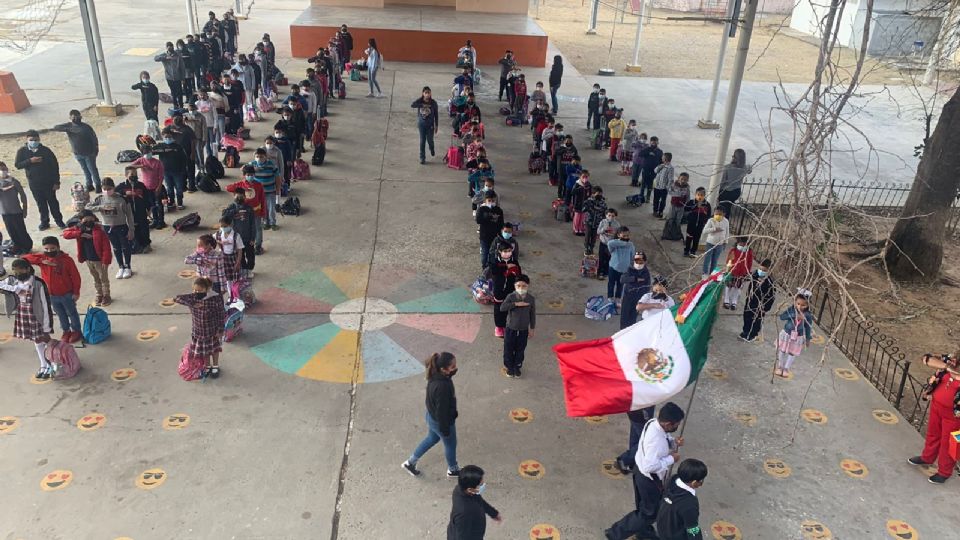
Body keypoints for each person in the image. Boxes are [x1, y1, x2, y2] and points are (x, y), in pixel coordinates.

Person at [606, 402, 686, 540]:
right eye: (675, 425)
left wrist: (673, 442)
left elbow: (664, 438)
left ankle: (643, 532)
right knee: (648, 513)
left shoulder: (652, 423)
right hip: (649, 479)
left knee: (644, 508)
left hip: (639, 471)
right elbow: (651, 465)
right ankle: (615, 533)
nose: (676, 427)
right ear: (667, 424)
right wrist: (671, 459)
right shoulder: (656, 441)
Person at [402, 352, 460, 477]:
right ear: (443, 369)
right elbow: (442, 411)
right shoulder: (443, 387)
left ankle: (410, 462)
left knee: (432, 438)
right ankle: (453, 469)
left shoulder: (435, 376)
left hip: (431, 417)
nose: (455, 368)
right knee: (450, 445)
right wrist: (445, 429)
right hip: (441, 421)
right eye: (453, 367)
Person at [909, 352, 960, 484]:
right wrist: (947, 367)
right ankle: (927, 457)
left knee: (947, 443)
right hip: (937, 406)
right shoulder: (952, 361)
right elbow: (926, 358)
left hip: (954, 416)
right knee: (933, 433)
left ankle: (944, 471)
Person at [0, 259, 54, 378]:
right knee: (36, 340)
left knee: (44, 338)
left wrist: (46, 325)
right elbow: (2, 284)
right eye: (15, 271)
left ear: (28, 269)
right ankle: (43, 364)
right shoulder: (14, 280)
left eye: (20, 271)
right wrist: (15, 288)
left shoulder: (38, 283)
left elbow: (45, 305)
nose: (17, 274)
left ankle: (52, 363)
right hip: (24, 313)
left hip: (37, 315)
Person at [21, 237, 82, 344]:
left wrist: (76, 292)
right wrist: (41, 261)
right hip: (51, 295)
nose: (49, 251)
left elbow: (76, 277)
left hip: (67, 294)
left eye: (52, 248)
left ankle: (76, 331)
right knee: (60, 314)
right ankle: (66, 331)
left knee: (72, 313)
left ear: (58, 247)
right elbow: (25, 258)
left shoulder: (67, 260)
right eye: (46, 249)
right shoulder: (43, 259)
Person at [175, 276, 225, 378]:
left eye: (200, 290)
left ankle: (215, 366)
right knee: (205, 351)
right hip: (198, 331)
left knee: (214, 349)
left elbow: (221, 314)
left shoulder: (215, 299)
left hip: (212, 331)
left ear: (207, 289)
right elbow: (177, 298)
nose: (196, 292)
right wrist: (192, 303)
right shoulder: (193, 297)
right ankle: (207, 366)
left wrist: (220, 330)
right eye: (194, 290)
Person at [86, 178, 135, 280]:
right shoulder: (100, 199)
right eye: (105, 189)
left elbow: (130, 215)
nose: (107, 191)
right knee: (116, 248)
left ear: (114, 187)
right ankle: (120, 266)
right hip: (108, 227)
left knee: (125, 247)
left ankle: (128, 266)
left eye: (109, 188)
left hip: (121, 226)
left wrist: (131, 229)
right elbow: (88, 207)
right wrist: (100, 207)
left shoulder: (122, 199)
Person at [15, 131, 65, 231]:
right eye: (31, 140)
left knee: (53, 202)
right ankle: (44, 222)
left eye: (36, 140)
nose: (33, 142)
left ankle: (59, 221)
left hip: (48, 183)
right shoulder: (22, 151)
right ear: (27, 140)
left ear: (39, 140)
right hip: (34, 184)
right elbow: (17, 165)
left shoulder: (46, 151)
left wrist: (56, 182)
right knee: (41, 203)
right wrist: (30, 161)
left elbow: (54, 167)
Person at [62, 211, 112, 306]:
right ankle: (99, 294)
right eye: (86, 219)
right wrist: (80, 233)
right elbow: (65, 234)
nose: (89, 221)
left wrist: (106, 260)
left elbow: (106, 247)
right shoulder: (79, 229)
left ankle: (106, 295)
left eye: (90, 218)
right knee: (96, 278)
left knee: (103, 278)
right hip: (88, 259)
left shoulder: (99, 230)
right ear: (81, 220)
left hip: (99, 260)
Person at [656, 459, 708, 540]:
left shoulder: (672, 480)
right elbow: (692, 528)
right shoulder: (689, 503)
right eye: (701, 480)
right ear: (694, 482)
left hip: (662, 526)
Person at [447, 464, 502, 539]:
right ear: (470, 489)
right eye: (481, 484)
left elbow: (479, 500)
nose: (483, 485)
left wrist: (493, 513)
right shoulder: (464, 513)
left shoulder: (461, 489)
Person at [501, 274, 535, 378]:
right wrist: (515, 304)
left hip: (523, 330)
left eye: (524, 286)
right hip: (511, 328)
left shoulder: (530, 299)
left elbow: (532, 314)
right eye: (518, 286)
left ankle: (517, 367)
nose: (521, 288)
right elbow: (502, 307)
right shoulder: (511, 297)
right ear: (515, 286)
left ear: (528, 286)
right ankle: (509, 367)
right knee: (508, 349)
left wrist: (532, 328)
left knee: (520, 349)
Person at [775, 290, 813, 377]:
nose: (800, 306)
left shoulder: (807, 315)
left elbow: (808, 327)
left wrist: (808, 339)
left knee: (792, 352)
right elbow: (782, 317)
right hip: (787, 334)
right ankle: (780, 366)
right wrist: (793, 315)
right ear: (795, 302)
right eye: (798, 304)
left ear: (808, 305)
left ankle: (786, 368)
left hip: (798, 337)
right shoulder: (791, 310)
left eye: (803, 305)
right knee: (782, 350)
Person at [222, 187, 257, 279]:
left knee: (250, 256)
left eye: (242, 196)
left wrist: (253, 238)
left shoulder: (249, 209)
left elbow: (253, 224)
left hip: (248, 237)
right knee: (240, 257)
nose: (240, 198)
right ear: (234, 196)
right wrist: (235, 211)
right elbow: (224, 218)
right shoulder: (231, 208)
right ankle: (244, 269)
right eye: (238, 196)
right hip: (236, 239)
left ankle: (249, 270)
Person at [129, 142, 166, 230]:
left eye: (148, 152)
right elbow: (130, 166)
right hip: (146, 188)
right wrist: (141, 166)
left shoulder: (158, 163)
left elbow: (161, 177)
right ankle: (155, 220)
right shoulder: (141, 160)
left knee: (159, 205)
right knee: (152, 205)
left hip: (156, 187)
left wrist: (159, 187)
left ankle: (161, 221)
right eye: (145, 152)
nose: (147, 154)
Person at [489, 244, 521, 338]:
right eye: (505, 251)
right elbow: (494, 270)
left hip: (510, 290)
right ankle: (499, 327)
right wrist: (507, 267)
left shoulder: (514, 261)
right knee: (499, 309)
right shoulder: (495, 261)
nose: (507, 253)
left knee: (509, 308)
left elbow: (519, 272)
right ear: (499, 251)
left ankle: (507, 325)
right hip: (499, 290)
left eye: (509, 251)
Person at [0, 162, 32, 254]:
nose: (3, 171)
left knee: (20, 230)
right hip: (5, 212)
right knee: (11, 231)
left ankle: (27, 245)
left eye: (4, 169)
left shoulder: (14, 181)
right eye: (1, 170)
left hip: (16, 211)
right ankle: (17, 245)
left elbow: (23, 195)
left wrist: (25, 209)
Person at [118, 167, 151, 254]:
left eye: (135, 174)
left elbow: (147, 198)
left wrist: (149, 208)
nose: (134, 176)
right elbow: (114, 193)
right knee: (134, 228)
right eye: (132, 175)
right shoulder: (122, 186)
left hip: (141, 211)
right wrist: (125, 193)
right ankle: (137, 245)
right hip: (129, 212)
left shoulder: (141, 185)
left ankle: (147, 244)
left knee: (144, 228)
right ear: (126, 175)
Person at [740, 259, 775, 342]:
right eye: (760, 269)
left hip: (760, 304)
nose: (761, 271)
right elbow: (750, 286)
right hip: (750, 300)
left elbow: (771, 296)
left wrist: (766, 307)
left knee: (756, 320)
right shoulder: (755, 275)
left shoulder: (769, 282)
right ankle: (746, 331)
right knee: (747, 316)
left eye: (764, 270)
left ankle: (753, 334)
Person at [614, 407, 656, 475]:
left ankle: (632, 463)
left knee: (635, 434)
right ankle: (625, 460)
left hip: (634, 410)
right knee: (645, 441)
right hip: (642, 412)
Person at [250, 148, 281, 231]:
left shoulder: (271, 165)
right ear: (254, 157)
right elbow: (243, 170)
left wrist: (278, 189)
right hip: (258, 193)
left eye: (261, 156)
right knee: (263, 208)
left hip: (270, 191)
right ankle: (265, 222)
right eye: (257, 156)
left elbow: (277, 177)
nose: (259, 158)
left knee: (271, 208)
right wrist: (252, 169)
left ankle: (273, 223)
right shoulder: (252, 164)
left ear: (266, 157)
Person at [619, 252, 651, 330]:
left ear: (645, 261)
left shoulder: (646, 273)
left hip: (637, 300)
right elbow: (622, 279)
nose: (638, 263)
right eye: (637, 261)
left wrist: (643, 300)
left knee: (632, 319)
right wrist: (635, 279)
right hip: (627, 298)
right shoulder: (630, 269)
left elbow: (647, 287)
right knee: (624, 317)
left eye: (641, 261)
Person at [215, 215, 243, 299]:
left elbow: (240, 250)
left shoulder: (236, 236)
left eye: (225, 226)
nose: (223, 228)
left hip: (234, 259)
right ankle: (231, 296)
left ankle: (237, 296)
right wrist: (219, 242)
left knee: (236, 279)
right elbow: (212, 239)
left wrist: (238, 263)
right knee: (227, 279)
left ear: (230, 225)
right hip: (224, 259)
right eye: (222, 226)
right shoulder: (219, 234)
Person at [718, 148, 751, 218]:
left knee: (720, 210)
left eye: (733, 156)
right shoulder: (745, 168)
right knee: (728, 209)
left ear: (735, 158)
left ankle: (720, 224)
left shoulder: (727, 167)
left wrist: (718, 193)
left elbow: (723, 182)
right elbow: (750, 170)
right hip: (736, 192)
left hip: (726, 192)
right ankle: (726, 223)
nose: (732, 157)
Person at [606, 227, 636, 305]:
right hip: (613, 267)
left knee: (620, 285)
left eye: (628, 235)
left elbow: (632, 256)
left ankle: (618, 298)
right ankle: (610, 297)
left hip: (624, 269)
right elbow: (609, 244)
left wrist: (632, 266)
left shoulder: (631, 245)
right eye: (624, 235)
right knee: (611, 283)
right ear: (619, 235)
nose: (626, 237)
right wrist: (625, 243)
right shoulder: (615, 243)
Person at [476, 191, 504, 270]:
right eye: (489, 201)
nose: (491, 202)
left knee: (493, 254)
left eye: (493, 201)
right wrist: (489, 216)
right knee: (485, 254)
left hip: (495, 237)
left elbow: (501, 223)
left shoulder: (499, 210)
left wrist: (501, 235)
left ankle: (492, 268)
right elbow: (478, 220)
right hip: (484, 236)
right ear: (485, 201)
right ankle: (484, 268)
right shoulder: (481, 209)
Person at [723, 236, 753, 310]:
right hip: (732, 272)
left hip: (742, 273)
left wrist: (747, 272)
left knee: (738, 287)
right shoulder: (733, 250)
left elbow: (749, 263)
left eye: (744, 243)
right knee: (728, 286)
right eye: (741, 243)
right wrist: (728, 270)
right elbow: (728, 261)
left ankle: (734, 302)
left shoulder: (749, 252)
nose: (742, 245)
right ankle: (726, 300)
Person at [412, 86, 440, 164]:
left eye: (429, 92)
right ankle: (422, 157)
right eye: (426, 93)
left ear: (431, 93)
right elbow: (412, 105)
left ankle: (432, 148)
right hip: (421, 125)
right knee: (422, 141)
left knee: (430, 140)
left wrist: (436, 125)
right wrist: (422, 105)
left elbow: (436, 115)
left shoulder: (433, 103)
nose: (427, 94)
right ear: (423, 93)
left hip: (430, 125)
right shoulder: (420, 101)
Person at [154, 42, 187, 108]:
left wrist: (183, 78)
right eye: (168, 46)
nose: (170, 48)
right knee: (173, 92)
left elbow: (182, 67)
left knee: (179, 92)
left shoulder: (177, 55)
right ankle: (175, 104)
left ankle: (181, 105)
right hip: (169, 77)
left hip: (177, 77)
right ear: (166, 48)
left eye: (171, 46)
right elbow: (156, 58)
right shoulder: (164, 55)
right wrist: (165, 58)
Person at [682, 187, 711, 259]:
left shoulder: (707, 205)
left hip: (700, 225)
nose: (700, 197)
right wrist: (695, 207)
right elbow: (685, 209)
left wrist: (705, 221)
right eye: (698, 195)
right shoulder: (691, 202)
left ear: (704, 195)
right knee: (689, 237)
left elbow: (708, 215)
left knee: (696, 239)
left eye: (702, 195)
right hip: (691, 224)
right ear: (695, 195)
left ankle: (693, 251)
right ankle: (686, 250)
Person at [701, 207, 729, 277]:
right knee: (707, 259)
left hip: (720, 244)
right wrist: (714, 229)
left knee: (715, 260)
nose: (718, 215)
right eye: (716, 214)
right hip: (710, 243)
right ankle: (704, 274)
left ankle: (712, 274)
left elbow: (727, 232)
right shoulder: (711, 220)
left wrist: (725, 242)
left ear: (724, 214)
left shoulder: (726, 221)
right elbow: (704, 231)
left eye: (720, 214)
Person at [637, 136, 662, 205]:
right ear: (650, 142)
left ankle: (648, 197)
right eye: (652, 141)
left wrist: (659, 169)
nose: (654, 143)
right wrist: (648, 153)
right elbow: (640, 154)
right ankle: (641, 196)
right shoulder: (647, 149)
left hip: (654, 171)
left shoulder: (660, 151)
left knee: (650, 184)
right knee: (643, 183)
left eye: (655, 141)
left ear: (658, 142)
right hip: (646, 169)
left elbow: (661, 161)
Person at [597, 208, 620, 279]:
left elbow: (619, 235)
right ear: (606, 215)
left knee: (608, 258)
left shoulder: (617, 224)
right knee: (601, 258)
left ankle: (606, 272)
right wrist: (604, 229)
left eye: (613, 216)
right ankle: (600, 272)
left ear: (615, 216)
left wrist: (614, 233)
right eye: (609, 215)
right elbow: (598, 232)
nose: (611, 217)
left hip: (611, 244)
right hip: (603, 243)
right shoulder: (603, 222)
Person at [582, 186, 607, 254]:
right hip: (588, 222)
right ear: (593, 194)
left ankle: (591, 248)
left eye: (600, 194)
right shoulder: (588, 201)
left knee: (594, 237)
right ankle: (586, 248)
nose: (599, 195)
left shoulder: (603, 203)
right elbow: (583, 210)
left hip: (597, 223)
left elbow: (605, 212)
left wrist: (604, 222)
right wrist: (589, 205)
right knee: (587, 236)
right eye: (598, 193)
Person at [652, 152, 675, 219]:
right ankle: (655, 210)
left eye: (663, 157)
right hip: (657, 186)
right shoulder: (661, 165)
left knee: (662, 200)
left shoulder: (670, 168)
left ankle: (660, 211)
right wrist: (660, 167)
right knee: (656, 199)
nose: (661, 157)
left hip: (663, 188)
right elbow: (655, 171)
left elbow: (670, 179)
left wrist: (668, 187)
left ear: (666, 158)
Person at [569, 171, 592, 236]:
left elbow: (590, 193)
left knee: (583, 217)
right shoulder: (577, 184)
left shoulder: (588, 184)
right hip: (577, 204)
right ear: (580, 177)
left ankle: (581, 229)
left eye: (586, 177)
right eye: (583, 177)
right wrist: (581, 188)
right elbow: (573, 192)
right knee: (577, 217)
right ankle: (576, 229)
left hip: (585, 204)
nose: (585, 178)